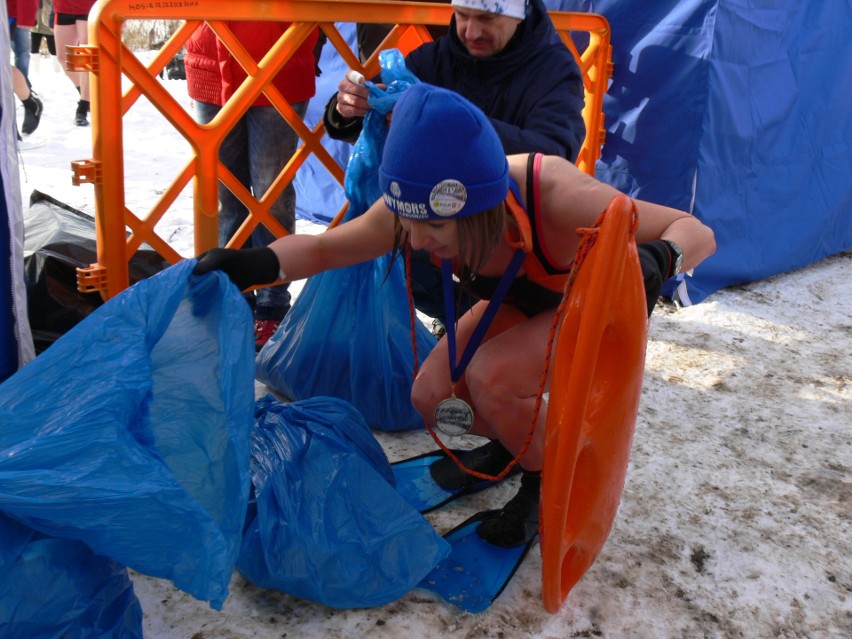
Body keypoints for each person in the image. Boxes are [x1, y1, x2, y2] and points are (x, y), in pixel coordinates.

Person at [194, 84, 716, 547]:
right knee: (429, 392)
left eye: (435, 234)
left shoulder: (556, 194)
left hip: (584, 308)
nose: (417, 243)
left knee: (492, 378)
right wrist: (251, 263)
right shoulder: (416, 207)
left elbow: (697, 232)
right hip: (521, 300)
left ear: (480, 207)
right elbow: (329, 250)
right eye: (408, 226)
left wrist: (659, 257)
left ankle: (546, 481)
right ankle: (512, 448)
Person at [324, 0, 586, 327]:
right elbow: (362, 113)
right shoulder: (437, 57)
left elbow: (553, 152)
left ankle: (493, 324)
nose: (472, 32)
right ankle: (462, 321)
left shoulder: (555, 69)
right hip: (441, 213)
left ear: (518, 15)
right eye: (462, 16)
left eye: (487, 18)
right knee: (389, 239)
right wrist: (348, 106)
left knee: (492, 365)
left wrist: (448, 122)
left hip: (514, 228)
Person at [185, 22, 319, 349]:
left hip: (279, 61)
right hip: (210, 64)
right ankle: (232, 295)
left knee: (270, 190)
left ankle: (272, 301)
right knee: (224, 195)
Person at [53, 0, 95, 126]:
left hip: (89, 7)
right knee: (63, 57)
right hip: (63, 6)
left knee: (85, 56)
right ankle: (86, 93)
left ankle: (82, 107)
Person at [7, 0, 43, 136]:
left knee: (2, 66)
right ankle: (29, 104)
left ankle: (9, 125)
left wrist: (26, 14)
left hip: (6, 12)